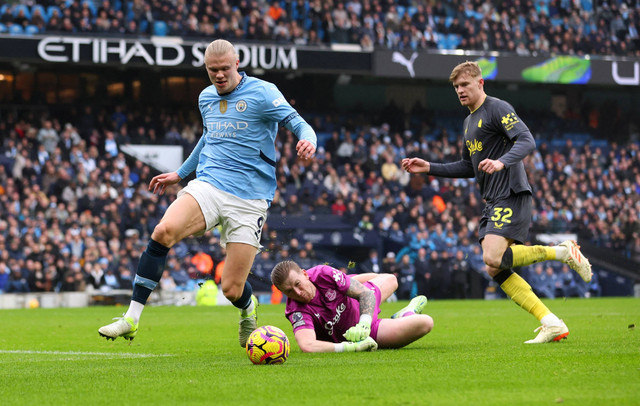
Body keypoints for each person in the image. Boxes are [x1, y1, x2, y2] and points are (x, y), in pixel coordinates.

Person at [99, 39, 317, 347]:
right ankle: (131, 319)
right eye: (212, 70)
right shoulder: (206, 98)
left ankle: (247, 307)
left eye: (225, 68)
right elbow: (208, 137)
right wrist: (180, 174)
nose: (219, 75)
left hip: (249, 199)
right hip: (209, 184)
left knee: (231, 288)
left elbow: (297, 121)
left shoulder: (263, 92)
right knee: (164, 231)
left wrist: (310, 140)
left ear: (237, 64)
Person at [401, 61, 592, 344]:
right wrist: (429, 167)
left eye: (465, 85)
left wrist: (502, 162)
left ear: (480, 84)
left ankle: (562, 252)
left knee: (491, 257)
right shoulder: (468, 123)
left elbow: (526, 140)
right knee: (494, 267)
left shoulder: (498, 108)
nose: (460, 91)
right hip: (492, 199)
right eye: (456, 87)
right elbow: (469, 166)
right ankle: (550, 321)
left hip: (511, 193)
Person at [270, 260, 433, 353]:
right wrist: (351, 346)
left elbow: (366, 295)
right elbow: (307, 345)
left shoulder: (322, 273)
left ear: (305, 274)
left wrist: (364, 323)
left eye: (298, 284)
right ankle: (408, 314)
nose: (298, 292)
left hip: (364, 314)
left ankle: (405, 313)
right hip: (367, 334)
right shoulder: (296, 310)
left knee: (391, 279)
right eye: (289, 291)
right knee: (425, 323)